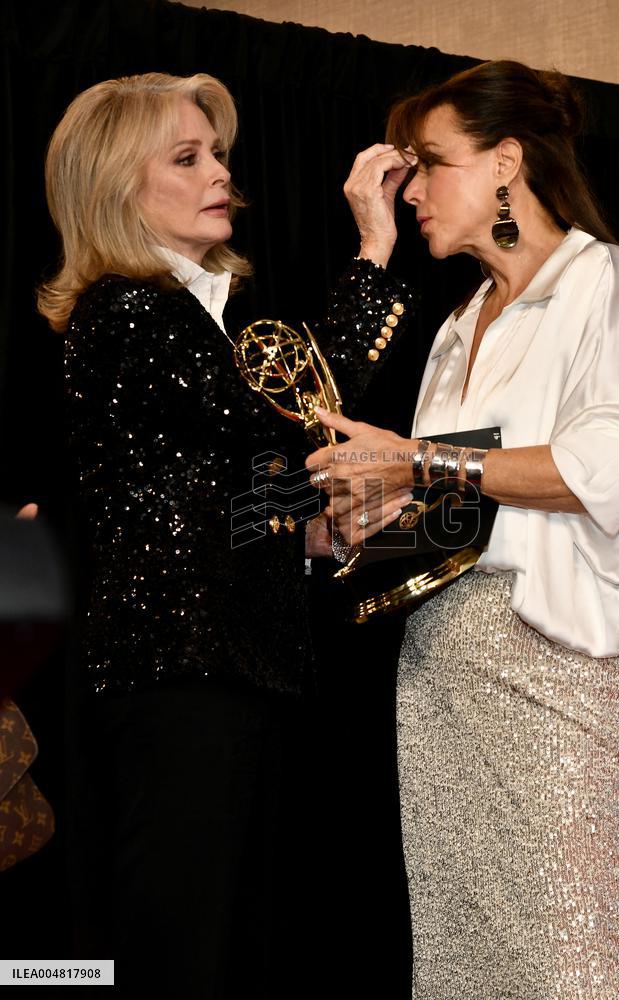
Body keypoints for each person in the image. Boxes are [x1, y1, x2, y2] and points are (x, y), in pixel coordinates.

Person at [306, 59, 619, 1000]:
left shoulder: (600, 281)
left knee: (567, 959)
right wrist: (355, 525)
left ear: (507, 163)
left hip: (554, 668)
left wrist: (416, 460)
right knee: (462, 962)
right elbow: (461, 505)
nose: (412, 193)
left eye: (431, 164)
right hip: (440, 664)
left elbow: (604, 472)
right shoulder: (459, 323)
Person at [37, 71, 414, 997]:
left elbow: (208, 491)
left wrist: (304, 532)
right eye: (187, 157)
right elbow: (296, 413)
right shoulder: (131, 307)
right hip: (181, 670)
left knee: (214, 937)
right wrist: (373, 246)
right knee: (178, 947)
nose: (220, 175)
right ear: (118, 186)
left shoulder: (192, 314)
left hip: (222, 666)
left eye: (217, 154)